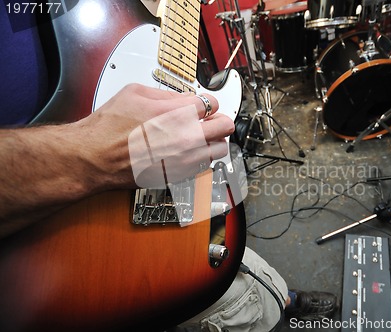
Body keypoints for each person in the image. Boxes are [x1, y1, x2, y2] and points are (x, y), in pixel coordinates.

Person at [0, 1, 337, 331]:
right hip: (67, 260)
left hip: (184, 197)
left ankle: (279, 295)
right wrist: (98, 156)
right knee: (237, 306)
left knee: (239, 266)